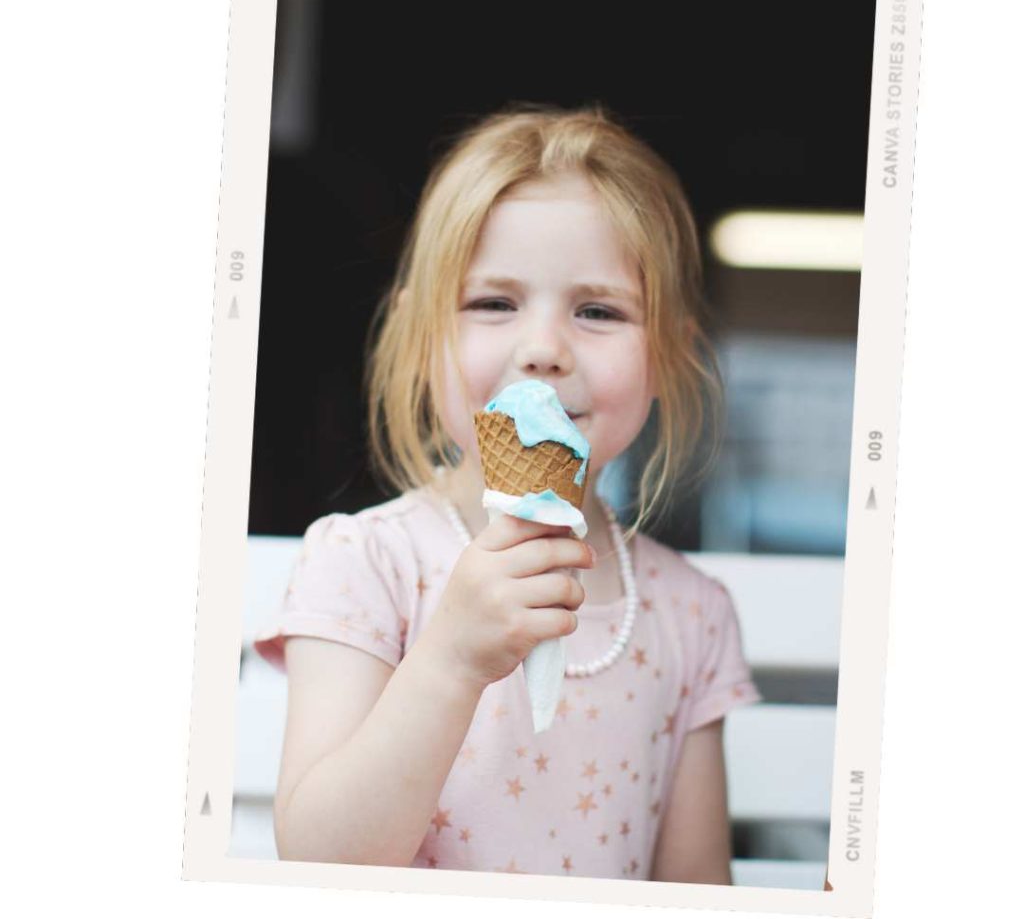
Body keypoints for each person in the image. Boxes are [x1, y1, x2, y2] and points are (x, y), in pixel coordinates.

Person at [253, 104, 762, 881]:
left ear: (667, 356)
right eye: (494, 303)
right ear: (422, 339)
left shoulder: (691, 614)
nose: (544, 349)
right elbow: (323, 860)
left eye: (598, 311)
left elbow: (695, 890)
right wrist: (452, 659)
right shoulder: (366, 563)